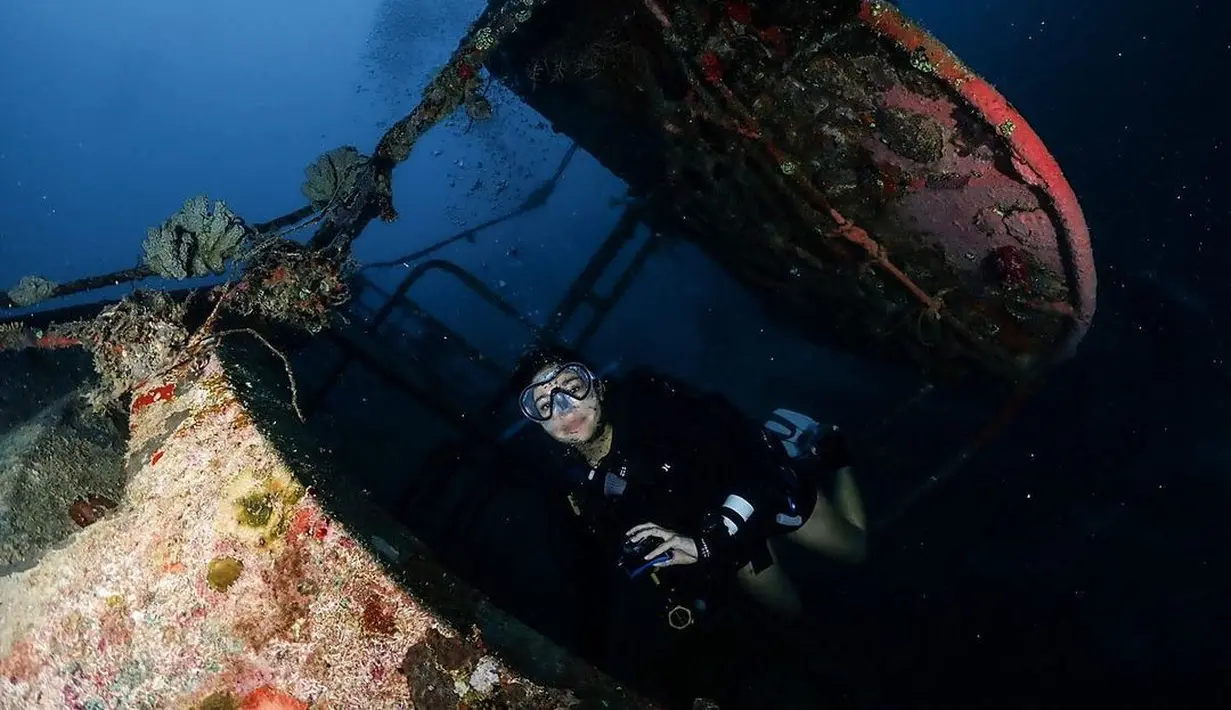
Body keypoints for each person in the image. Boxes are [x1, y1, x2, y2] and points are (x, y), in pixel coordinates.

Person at [511, 343, 868, 699]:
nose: (564, 409)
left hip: (760, 485)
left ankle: (829, 451)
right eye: (544, 405)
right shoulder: (576, 487)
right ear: (538, 424)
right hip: (716, 538)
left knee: (856, 551)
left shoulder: (651, 406)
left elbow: (749, 460)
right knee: (791, 610)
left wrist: (709, 541)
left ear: (598, 385)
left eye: (573, 388)